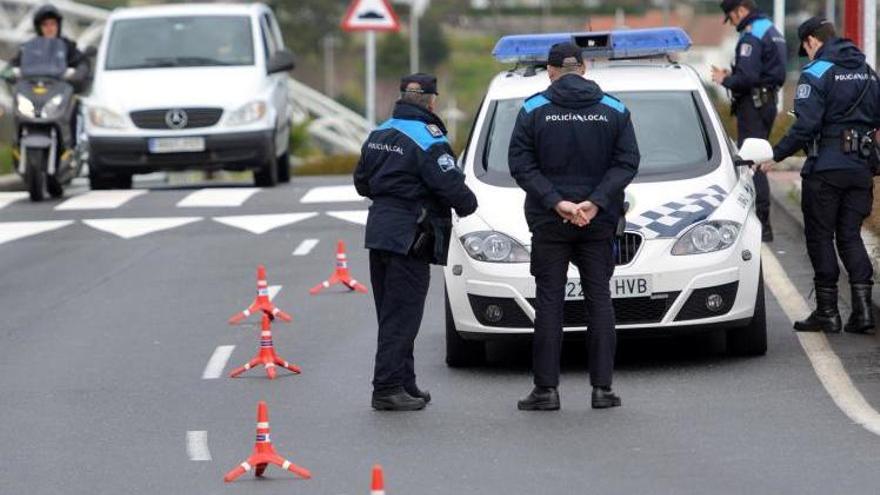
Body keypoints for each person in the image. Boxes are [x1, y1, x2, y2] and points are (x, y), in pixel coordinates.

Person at [508, 43, 640, 411]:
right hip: (598, 223)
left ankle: (546, 391)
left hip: (550, 222)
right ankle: (602, 390)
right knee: (600, 300)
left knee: (550, 302)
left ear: (550, 71)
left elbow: (520, 164)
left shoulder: (533, 109)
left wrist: (557, 202)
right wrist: (596, 201)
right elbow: (628, 161)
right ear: (583, 68)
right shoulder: (614, 109)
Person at [354, 73, 478, 411]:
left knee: (391, 313)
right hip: (411, 234)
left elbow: (362, 183)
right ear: (432, 101)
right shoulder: (428, 137)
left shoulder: (379, 132)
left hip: (380, 231)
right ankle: (387, 388)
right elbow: (451, 187)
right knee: (403, 315)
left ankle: (405, 383)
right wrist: (469, 205)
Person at [758, 17, 880, 334]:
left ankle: (828, 312)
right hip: (860, 169)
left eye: (806, 48)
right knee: (850, 235)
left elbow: (806, 126)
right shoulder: (867, 71)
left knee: (821, 237)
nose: (807, 54)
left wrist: (776, 154)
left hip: (826, 170)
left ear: (812, 41)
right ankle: (864, 313)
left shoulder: (816, 73)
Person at [711, 0, 787, 242]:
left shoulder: (751, 36)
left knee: (753, 162)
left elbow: (747, 77)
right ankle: (763, 222)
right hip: (767, 102)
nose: (731, 22)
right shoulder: (771, 29)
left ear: (741, 10)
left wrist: (725, 80)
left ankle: (762, 224)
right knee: (759, 157)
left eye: (731, 17)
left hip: (753, 105)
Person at [10, 4, 85, 73]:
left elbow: (82, 62)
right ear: (39, 28)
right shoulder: (29, 47)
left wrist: (80, 72)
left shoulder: (67, 46)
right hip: (32, 85)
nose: (49, 28)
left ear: (58, 26)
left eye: (53, 24)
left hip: (60, 85)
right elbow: (12, 65)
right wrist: (9, 72)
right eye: (45, 25)